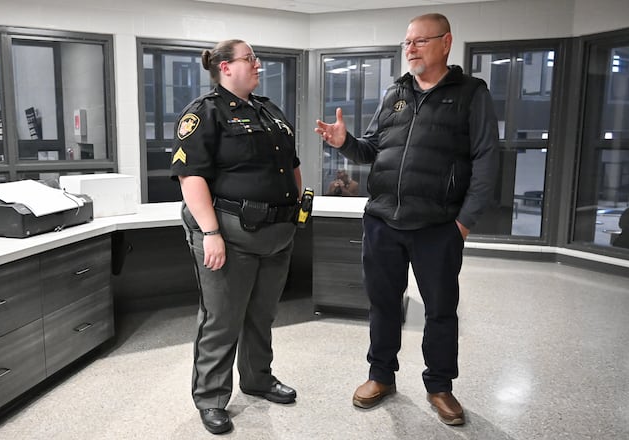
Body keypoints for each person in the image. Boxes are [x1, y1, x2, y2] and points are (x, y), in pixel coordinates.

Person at [315, 13, 499, 426]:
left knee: (440, 310)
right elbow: (371, 150)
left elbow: (487, 159)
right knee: (382, 304)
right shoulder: (395, 94)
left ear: (446, 42)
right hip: (383, 220)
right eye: (407, 43)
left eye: (419, 41)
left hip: (438, 226)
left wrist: (464, 221)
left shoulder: (470, 94)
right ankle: (381, 376)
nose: (410, 49)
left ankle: (439, 386)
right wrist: (344, 143)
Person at [170, 39, 302, 435]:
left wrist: (297, 207)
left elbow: (290, 165)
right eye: (249, 59)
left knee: (262, 315)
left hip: (278, 233)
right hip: (230, 233)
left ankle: (258, 378)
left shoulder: (269, 110)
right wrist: (210, 232)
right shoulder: (203, 114)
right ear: (225, 67)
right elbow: (190, 177)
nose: (257, 64)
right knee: (222, 320)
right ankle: (210, 398)